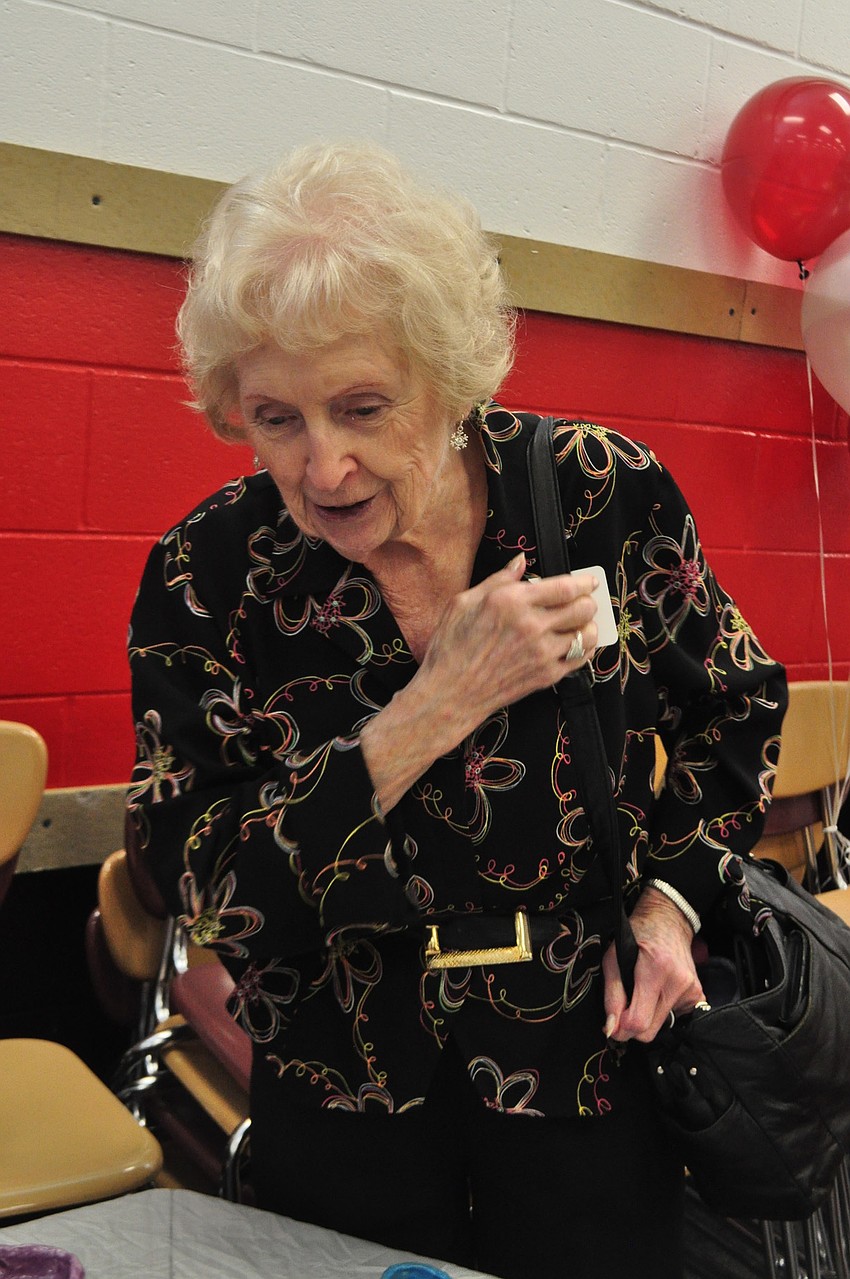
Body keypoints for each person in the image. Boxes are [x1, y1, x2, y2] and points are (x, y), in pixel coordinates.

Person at [127, 140, 788, 1279]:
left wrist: (674, 905)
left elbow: (731, 712)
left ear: (447, 374)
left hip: (587, 1064)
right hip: (341, 1087)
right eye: (275, 417)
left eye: (363, 406)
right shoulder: (210, 571)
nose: (323, 467)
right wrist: (430, 710)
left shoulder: (596, 494)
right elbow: (204, 879)